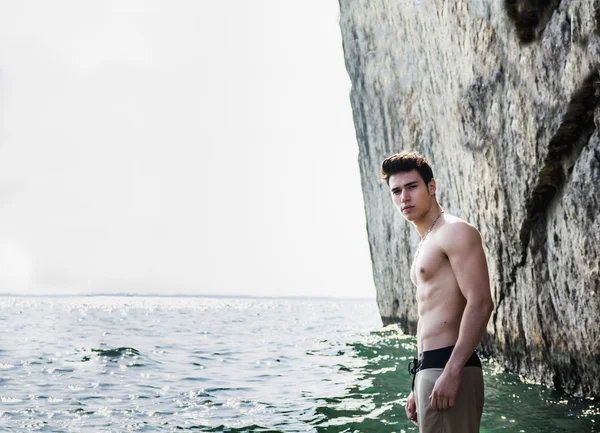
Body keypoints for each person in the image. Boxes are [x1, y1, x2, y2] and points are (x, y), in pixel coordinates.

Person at [380, 151, 494, 433]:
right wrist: (417, 382)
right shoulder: (428, 241)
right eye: (396, 191)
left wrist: (452, 371)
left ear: (432, 187)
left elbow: (480, 303)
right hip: (430, 369)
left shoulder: (455, 231)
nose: (403, 197)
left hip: (450, 366)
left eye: (411, 187)